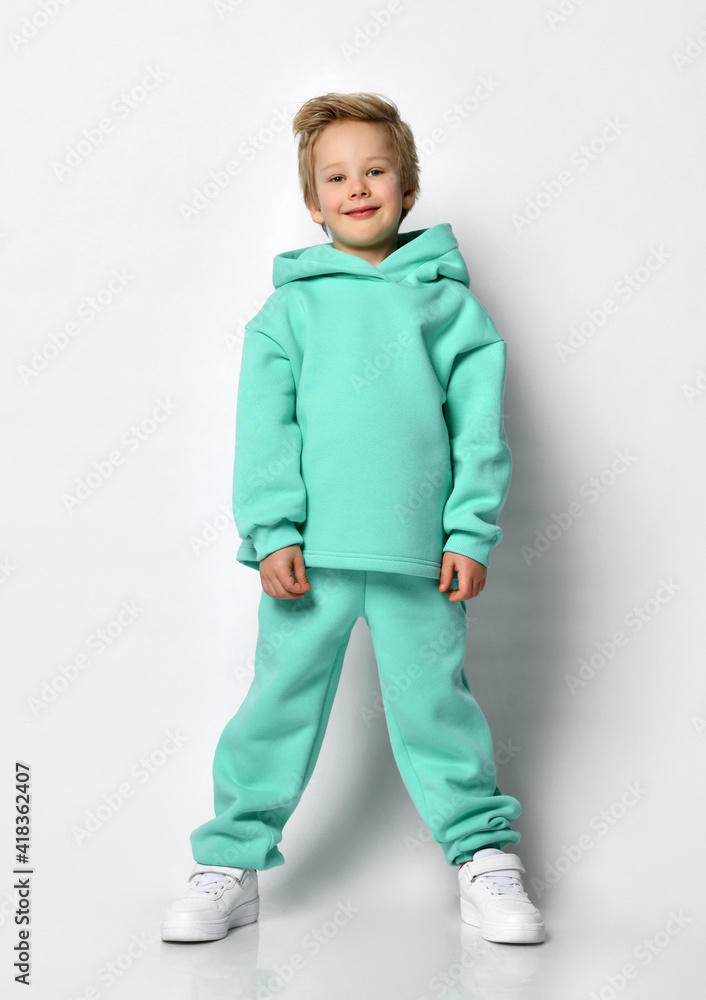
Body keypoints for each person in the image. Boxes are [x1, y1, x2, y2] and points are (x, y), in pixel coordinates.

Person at [161, 92, 546, 946]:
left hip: (422, 556)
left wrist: (468, 531)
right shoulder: (288, 312)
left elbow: (476, 429)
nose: (357, 186)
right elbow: (267, 432)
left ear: (407, 190)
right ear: (314, 202)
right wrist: (274, 532)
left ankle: (484, 858)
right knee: (278, 703)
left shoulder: (449, 307)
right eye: (337, 176)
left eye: (376, 170)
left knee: (438, 708)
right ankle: (231, 860)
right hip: (309, 557)